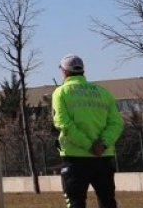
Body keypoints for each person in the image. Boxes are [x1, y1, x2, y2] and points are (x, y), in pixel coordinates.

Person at [53, 53, 124, 208]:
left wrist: (88, 145)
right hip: (103, 157)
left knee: (76, 203)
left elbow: (63, 124)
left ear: (64, 71)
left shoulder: (61, 92)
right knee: (108, 202)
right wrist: (103, 144)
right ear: (83, 70)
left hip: (75, 158)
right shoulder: (103, 93)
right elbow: (117, 123)